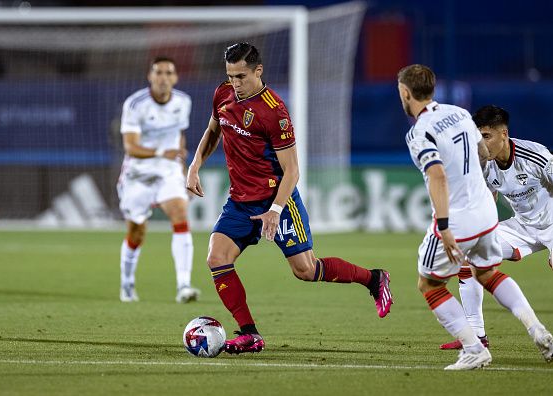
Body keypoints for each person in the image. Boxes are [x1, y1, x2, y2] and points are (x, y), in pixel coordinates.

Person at [186, 42, 393, 354]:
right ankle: (249, 333)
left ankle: (374, 279)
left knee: (305, 271)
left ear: (258, 71)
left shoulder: (274, 112)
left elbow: (292, 170)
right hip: (240, 202)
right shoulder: (223, 94)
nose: (236, 84)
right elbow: (214, 129)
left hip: (277, 199)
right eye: (230, 76)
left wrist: (275, 209)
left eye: (241, 76)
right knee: (217, 258)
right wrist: (195, 165)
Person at [398, 64, 553, 370]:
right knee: (484, 272)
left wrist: (443, 226)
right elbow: (482, 151)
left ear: (405, 93)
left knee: (429, 285)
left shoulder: (418, 132)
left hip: (460, 216)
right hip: (487, 213)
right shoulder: (458, 113)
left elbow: (438, 176)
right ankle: (531, 331)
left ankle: (473, 348)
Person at [440, 105, 553, 350]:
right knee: (467, 256)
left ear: (504, 134)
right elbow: (486, 202)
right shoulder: (483, 163)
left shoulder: (536, 156)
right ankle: (476, 336)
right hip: (522, 227)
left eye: (487, 137)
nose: (481, 143)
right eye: (477, 137)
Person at [117, 56, 200, 304]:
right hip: (138, 174)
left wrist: (185, 171)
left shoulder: (184, 102)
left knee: (179, 213)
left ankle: (183, 285)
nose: (163, 77)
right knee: (136, 231)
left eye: (168, 73)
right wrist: (159, 152)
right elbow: (130, 147)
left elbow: (179, 135)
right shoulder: (135, 104)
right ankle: (127, 283)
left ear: (175, 77)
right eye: (158, 73)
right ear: (150, 77)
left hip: (168, 171)